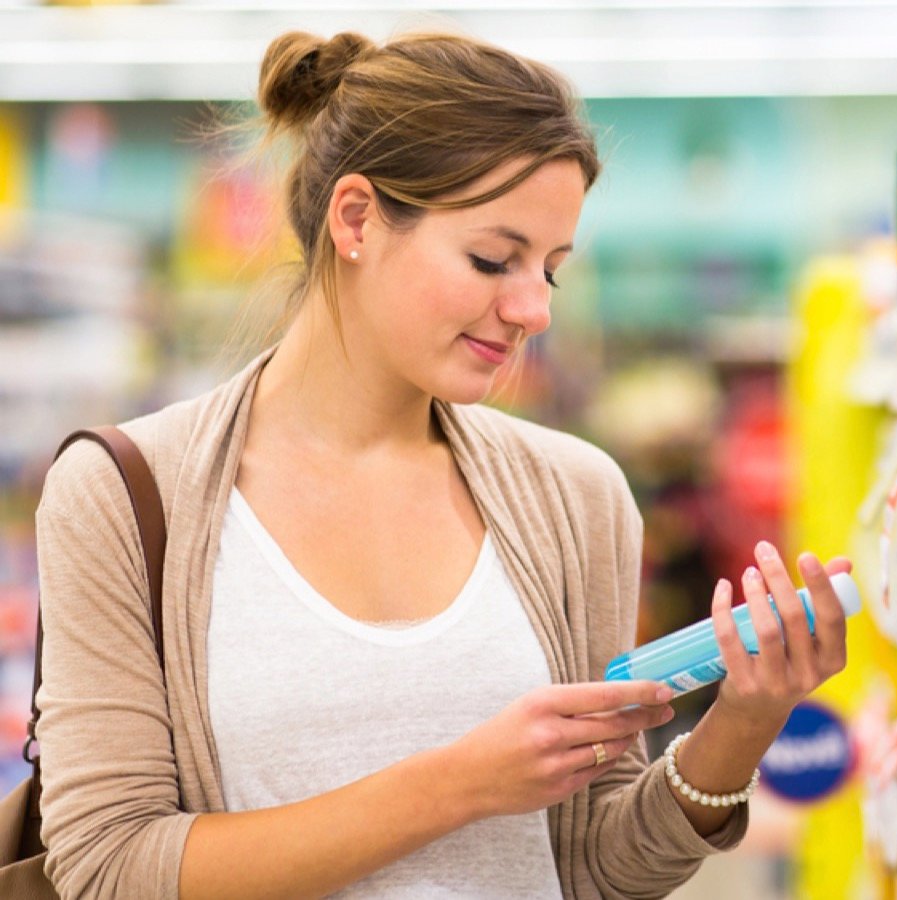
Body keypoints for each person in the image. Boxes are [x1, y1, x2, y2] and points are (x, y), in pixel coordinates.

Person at [32, 29, 851, 900]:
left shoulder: (575, 498)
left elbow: (596, 867)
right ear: (356, 219)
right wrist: (460, 785)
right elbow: (109, 867)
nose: (533, 307)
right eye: (493, 259)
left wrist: (747, 717)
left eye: (552, 270)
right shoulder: (125, 497)